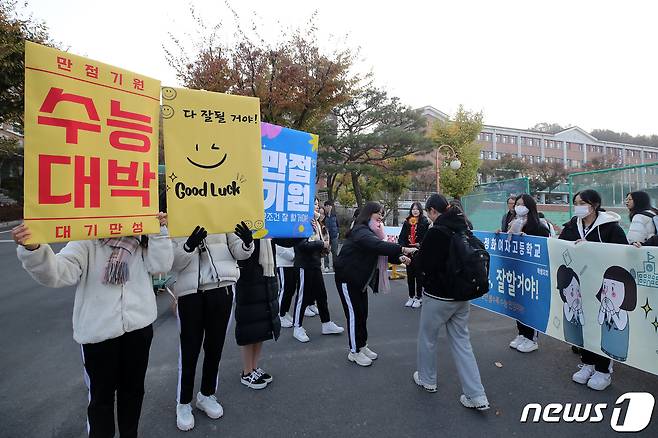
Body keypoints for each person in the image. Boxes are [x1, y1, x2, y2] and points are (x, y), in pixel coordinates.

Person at [12, 214, 173, 438]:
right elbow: (58, 273)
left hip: (139, 328)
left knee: (133, 392)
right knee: (101, 399)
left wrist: (159, 231)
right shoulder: (87, 238)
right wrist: (35, 249)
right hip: (98, 334)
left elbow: (161, 266)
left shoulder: (142, 233)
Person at [170, 222, 254, 431]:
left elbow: (239, 252)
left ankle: (207, 394)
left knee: (215, 348)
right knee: (189, 351)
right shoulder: (179, 213)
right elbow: (171, 262)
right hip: (190, 293)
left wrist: (247, 242)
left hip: (222, 288)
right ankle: (183, 402)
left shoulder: (222, 210)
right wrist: (189, 246)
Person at [413, 194, 490, 410]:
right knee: (462, 343)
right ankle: (476, 395)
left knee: (427, 338)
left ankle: (427, 380)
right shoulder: (464, 227)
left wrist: (414, 260)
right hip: (462, 295)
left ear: (433, 211)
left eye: (429, 213)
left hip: (437, 296)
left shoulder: (436, 232)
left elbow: (425, 263)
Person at [559, 189, 628, 391]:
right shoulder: (572, 226)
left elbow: (621, 253)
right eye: (576, 202)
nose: (578, 206)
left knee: (601, 327)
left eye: (582, 202)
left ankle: (603, 370)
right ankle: (587, 363)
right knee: (585, 324)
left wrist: (591, 248)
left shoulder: (611, 228)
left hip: (602, 287)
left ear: (594, 204)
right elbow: (560, 247)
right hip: (579, 288)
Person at [334, 201, 417, 366]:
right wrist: (403, 249)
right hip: (347, 278)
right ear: (368, 214)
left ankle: (362, 345)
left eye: (382, 213)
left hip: (359, 280)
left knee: (362, 314)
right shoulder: (360, 231)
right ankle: (354, 351)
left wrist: (399, 258)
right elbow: (377, 246)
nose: (381, 217)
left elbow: (380, 250)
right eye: (378, 213)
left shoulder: (372, 232)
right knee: (354, 316)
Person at [292, 205, 344, 343]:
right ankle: (297, 327)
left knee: (321, 295)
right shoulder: (300, 222)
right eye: (313, 204)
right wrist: (321, 244)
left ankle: (326, 323)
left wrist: (323, 246)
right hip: (304, 265)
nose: (316, 207)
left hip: (315, 264)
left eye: (317, 204)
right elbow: (301, 245)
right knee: (302, 297)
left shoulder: (316, 223)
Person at [235, 237, 281, 390]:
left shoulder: (269, 221)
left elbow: (286, 238)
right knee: (249, 325)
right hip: (248, 278)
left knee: (262, 325)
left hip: (267, 276)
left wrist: (303, 229)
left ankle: (254, 367)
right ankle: (247, 371)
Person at [507, 194, 550, 354]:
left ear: (530, 207)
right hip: (516, 270)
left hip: (531, 274)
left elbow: (544, 246)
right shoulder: (512, 223)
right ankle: (522, 334)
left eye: (523, 204)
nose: (519, 206)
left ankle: (532, 338)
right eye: (517, 204)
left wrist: (528, 239)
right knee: (518, 304)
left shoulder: (538, 226)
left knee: (529, 305)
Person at [398, 202, 430, 308]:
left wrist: (419, 244)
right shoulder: (407, 222)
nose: (415, 211)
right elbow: (402, 237)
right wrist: (403, 248)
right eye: (413, 209)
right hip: (408, 252)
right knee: (410, 275)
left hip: (419, 252)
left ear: (420, 210)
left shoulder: (424, 222)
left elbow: (427, 238)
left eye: (417, 209)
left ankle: (419, 297)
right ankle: (411, 296)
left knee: (419, 275)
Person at [275, 243, 298, 328]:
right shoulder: (279, 231)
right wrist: (292, 256)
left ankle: (285, 311)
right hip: (283, 264)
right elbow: (278, 248)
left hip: (292, 264)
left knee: (291, 289)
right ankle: (279, 315)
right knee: (284, 289)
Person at [324, 200, 340, 271]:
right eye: (326, 206)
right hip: (327, 236)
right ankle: (326, 266)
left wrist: (338, 233)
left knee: (334, 252)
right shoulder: (324, 216)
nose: (328, 207)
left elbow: (338, 225)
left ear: (331, 206)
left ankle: (335, 266)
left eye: (329, 206)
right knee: (326, 251)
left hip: (334, 236)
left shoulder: (335, 215)